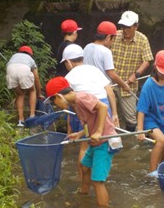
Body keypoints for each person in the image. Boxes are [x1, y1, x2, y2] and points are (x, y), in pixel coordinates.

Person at [45, 76, 116, 206]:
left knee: (98, 181)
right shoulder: (75, 104)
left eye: (53, 101)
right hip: (95, 142)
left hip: (105, 141)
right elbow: (90, 121)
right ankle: (84, 195)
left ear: (58, 96)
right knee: (84, 166)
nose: (55, 105)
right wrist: (80, 133)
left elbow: (103, 107)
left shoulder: (82, 97)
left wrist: (99, 131)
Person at [62, 44, 120, 191]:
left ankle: (85, 180)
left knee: (84, 145)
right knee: (95, 142)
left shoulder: (68, 77)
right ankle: (96, 178)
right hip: (102, 103)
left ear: (68, 62)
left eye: (65, 64)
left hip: (85, 107)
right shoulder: (94, 69)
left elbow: (69, 102)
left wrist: (70, 126)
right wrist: (115, 114)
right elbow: (110, 91)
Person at [111, 10, 154, 131]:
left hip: (128, 84)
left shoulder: (142, 40)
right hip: (110, 81)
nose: (125, 30)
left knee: (131, 118)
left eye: (129, 27)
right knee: (106, 113)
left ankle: (131, 143)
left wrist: (135, 75)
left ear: (136, 26)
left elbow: (147, 60)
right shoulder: (114, 36)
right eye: (123, 26)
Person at [83, 21, 130, 92]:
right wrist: (124, 85)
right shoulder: (106, 52)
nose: (113, 42)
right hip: (102, 90)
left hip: (88, 87)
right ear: (108, 37)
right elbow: (112, 74)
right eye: (113, 38)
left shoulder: (87, 46)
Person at [6, 46, 44, 127]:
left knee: (20, 94)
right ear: (30, 54)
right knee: (32, 90)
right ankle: (32, 116)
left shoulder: (14, 56)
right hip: (24, 69)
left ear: (19, 51)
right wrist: (39, 93)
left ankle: (21, 120)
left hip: (10, 69)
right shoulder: (30, 59)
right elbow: (36, 78)